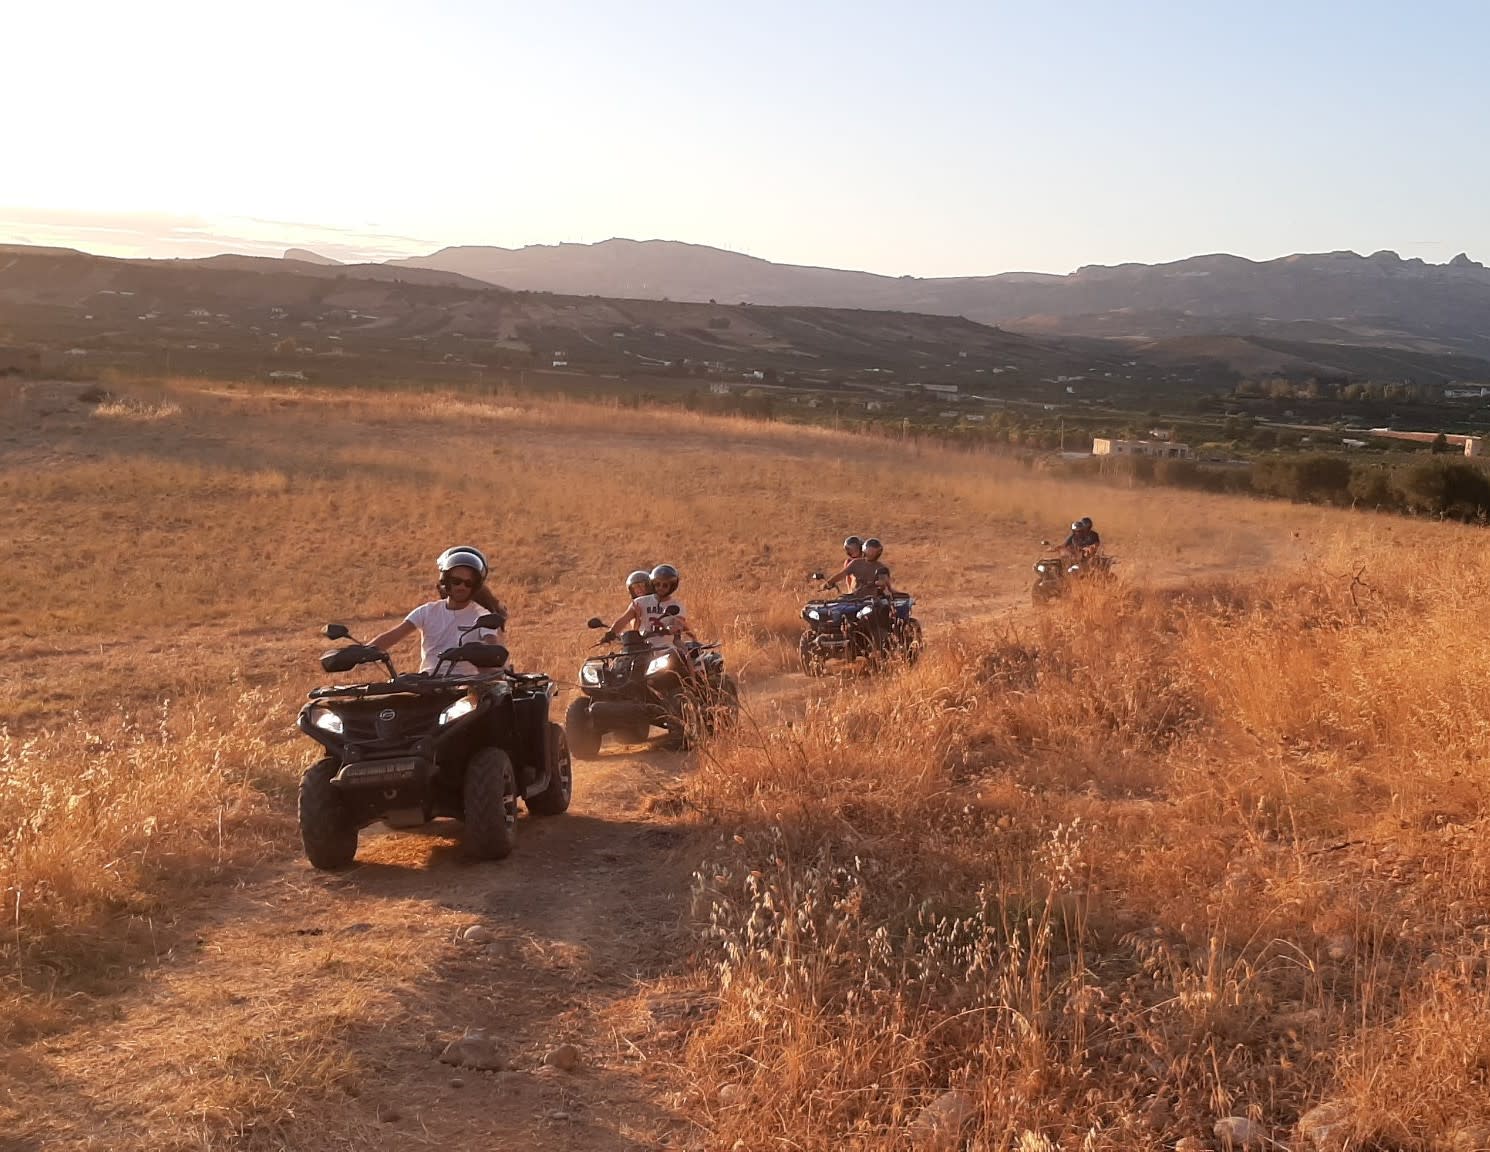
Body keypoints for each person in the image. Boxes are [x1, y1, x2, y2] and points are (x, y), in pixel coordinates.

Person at [367, 548, 506, 676]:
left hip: (464, 687)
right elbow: (392, 636)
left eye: (468, 583)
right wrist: (363, 652)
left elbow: (493, 651)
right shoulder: (427, 611)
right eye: (456, 581)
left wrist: (476, 654)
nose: (462, 587)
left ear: (475, 587)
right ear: (445, 582)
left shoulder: (483, 616)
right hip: (427, 684)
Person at [608, 563, 693, 650]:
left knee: (684, 658)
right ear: (652, 584)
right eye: (657, 584)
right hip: (642, 648)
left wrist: (672, 628)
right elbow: (623, 620)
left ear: (672, 587)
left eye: (665, 585)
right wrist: (610, 633)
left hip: (667, 649)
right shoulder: (640, 602)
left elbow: (678, 623)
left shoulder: (677, 605)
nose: (660, 587)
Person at [824, 536, 890, 595]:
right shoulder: (855, 563)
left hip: (870, 600)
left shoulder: (881, 567)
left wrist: (880, 583)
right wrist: (828, 583)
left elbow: (885, 583)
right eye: (869, 551)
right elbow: (842, 574)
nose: (871, 554)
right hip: (853, 597)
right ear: (864, 550)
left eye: (873, 552)